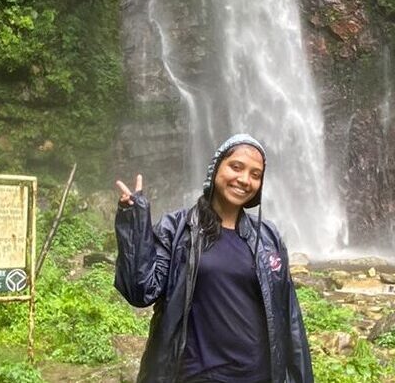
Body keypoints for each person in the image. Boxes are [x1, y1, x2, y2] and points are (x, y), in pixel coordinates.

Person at [114, 133, 314, 383]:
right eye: (236, 167)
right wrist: (134, 220)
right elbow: (140, 290)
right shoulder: (177, 229)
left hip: (258, 375)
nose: (244, 180)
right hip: (195, 375)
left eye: (255, 174)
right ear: (216, 167)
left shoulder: (268, 236)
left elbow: (289, 315)